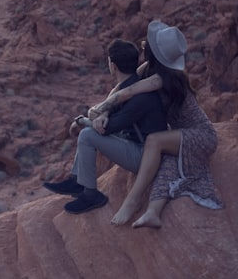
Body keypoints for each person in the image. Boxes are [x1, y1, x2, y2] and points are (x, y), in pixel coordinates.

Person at [91, 20, 222, 228]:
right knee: (165, 171)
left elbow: (128, 92)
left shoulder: (161, 78)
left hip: (200, 136)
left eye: (147, 44)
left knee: (154, 141)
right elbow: (119, 88)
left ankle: (132, 202)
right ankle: (152, 213)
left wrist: (98, 109)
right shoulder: (149, 69)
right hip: (179, 135)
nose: (143, 44)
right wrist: (105, 111)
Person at [43, 38, 167, 214]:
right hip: (139, 145)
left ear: (113, 65)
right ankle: (77, 180)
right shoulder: (131, 85)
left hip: (145, 157)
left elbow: (106, 128)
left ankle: (91, 195)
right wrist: (101, 114)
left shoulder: (138, 97)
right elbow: (110, 110)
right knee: (88, 131)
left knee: (87, 135)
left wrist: (81, 121)